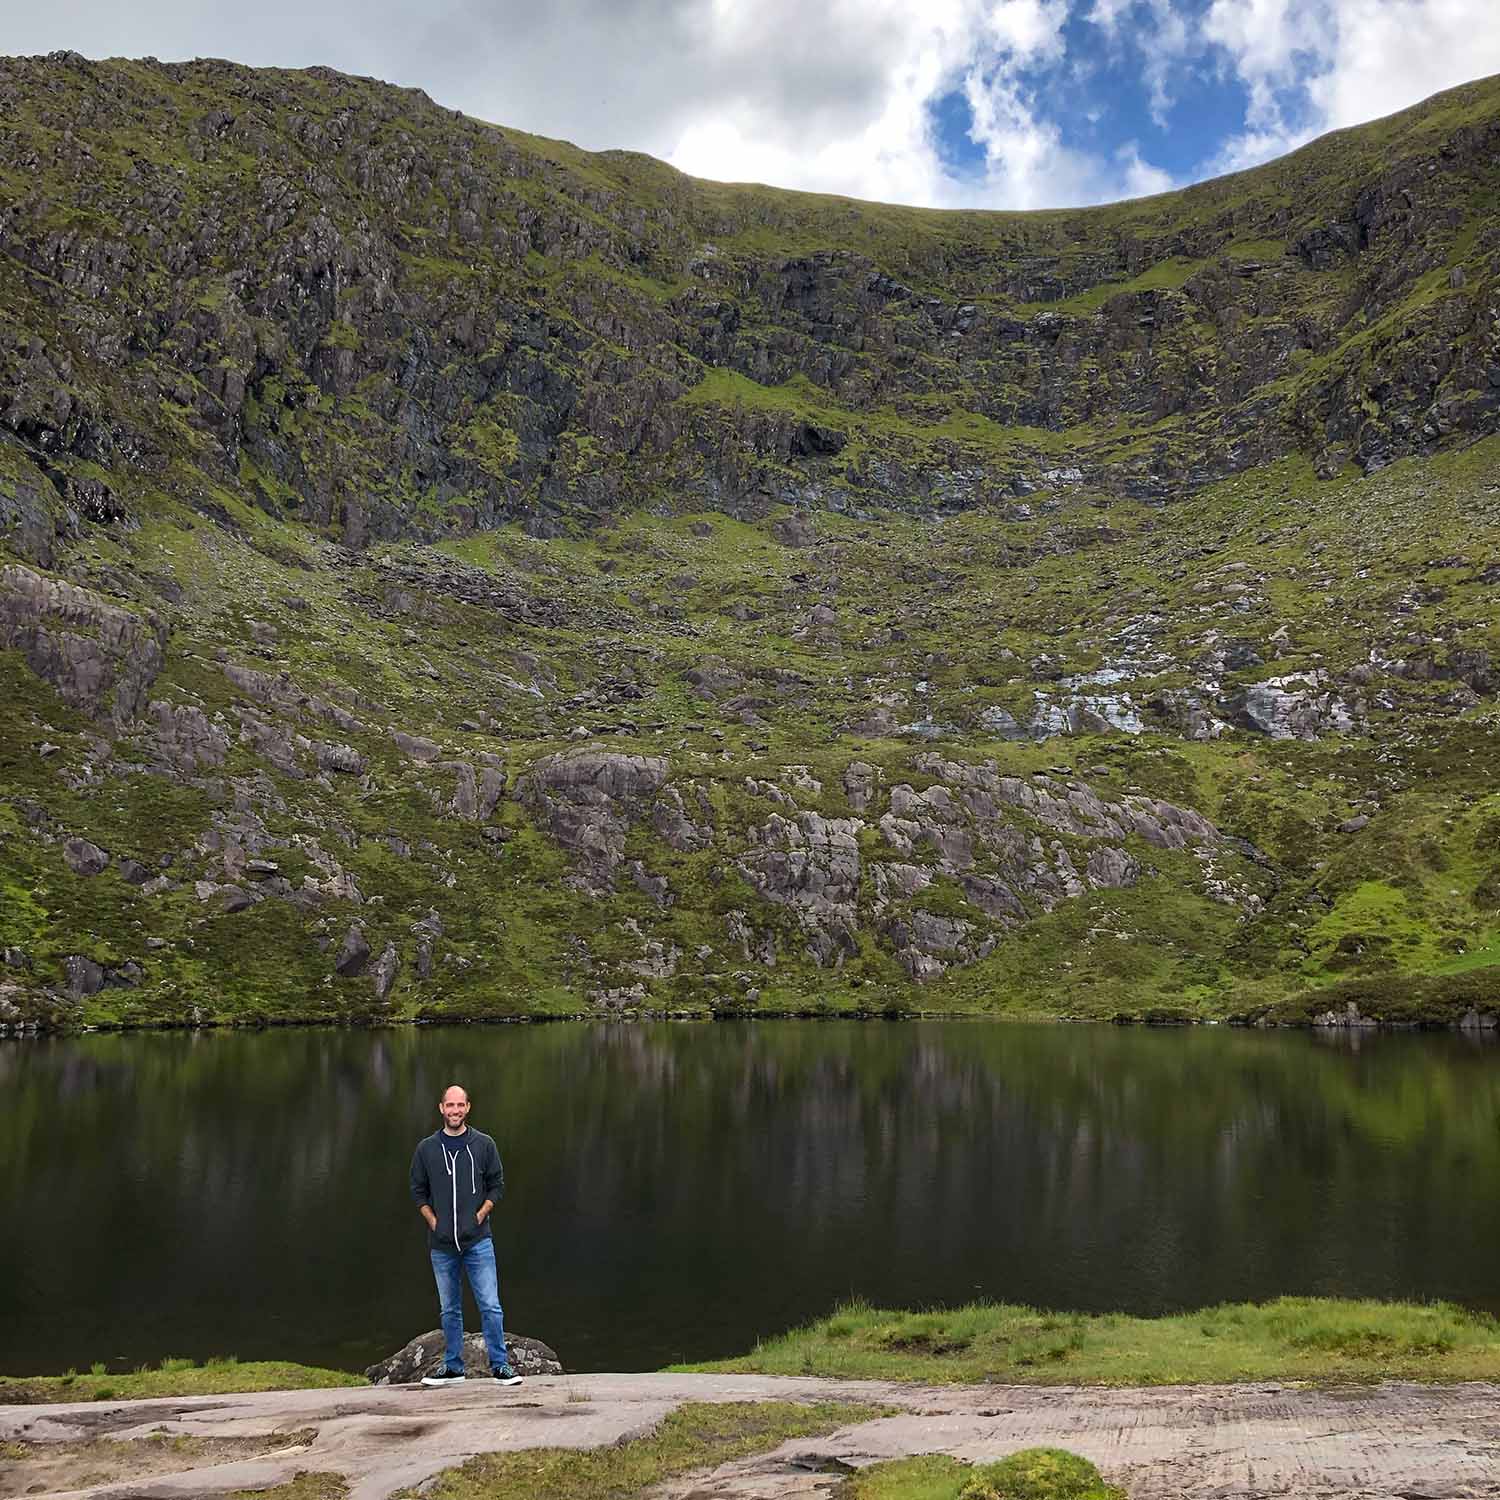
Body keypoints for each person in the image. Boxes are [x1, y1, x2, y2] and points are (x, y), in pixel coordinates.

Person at [409, 1083, 522, 1386]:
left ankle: (500, 1366)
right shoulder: (427, 1149)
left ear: (468, 1108)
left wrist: (480, 1214)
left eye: (460, 1105)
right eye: (450, 1105)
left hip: (478, 1241)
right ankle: (454, 1367)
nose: (455, 1111)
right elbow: (418, 1191)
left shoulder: (484, 1145)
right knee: (450, 1309)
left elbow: (497, 1184)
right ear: (441, 1109)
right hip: (441, 1244)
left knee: (490, 1304)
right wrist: (434, 1222)